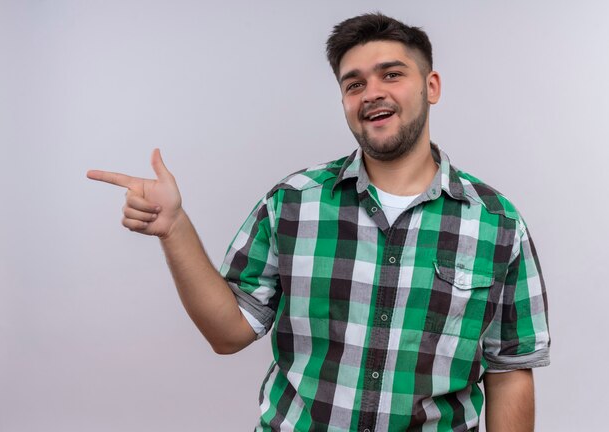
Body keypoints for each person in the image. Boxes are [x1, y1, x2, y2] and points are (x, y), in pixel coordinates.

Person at [87, 12, 550, 432]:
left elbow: (509, 370)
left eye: (392, 74)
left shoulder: (498, 224)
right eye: (354, 84)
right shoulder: (293, 202)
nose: (372, 93)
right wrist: (175, 228)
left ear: (431, 86)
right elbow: (227, 334)